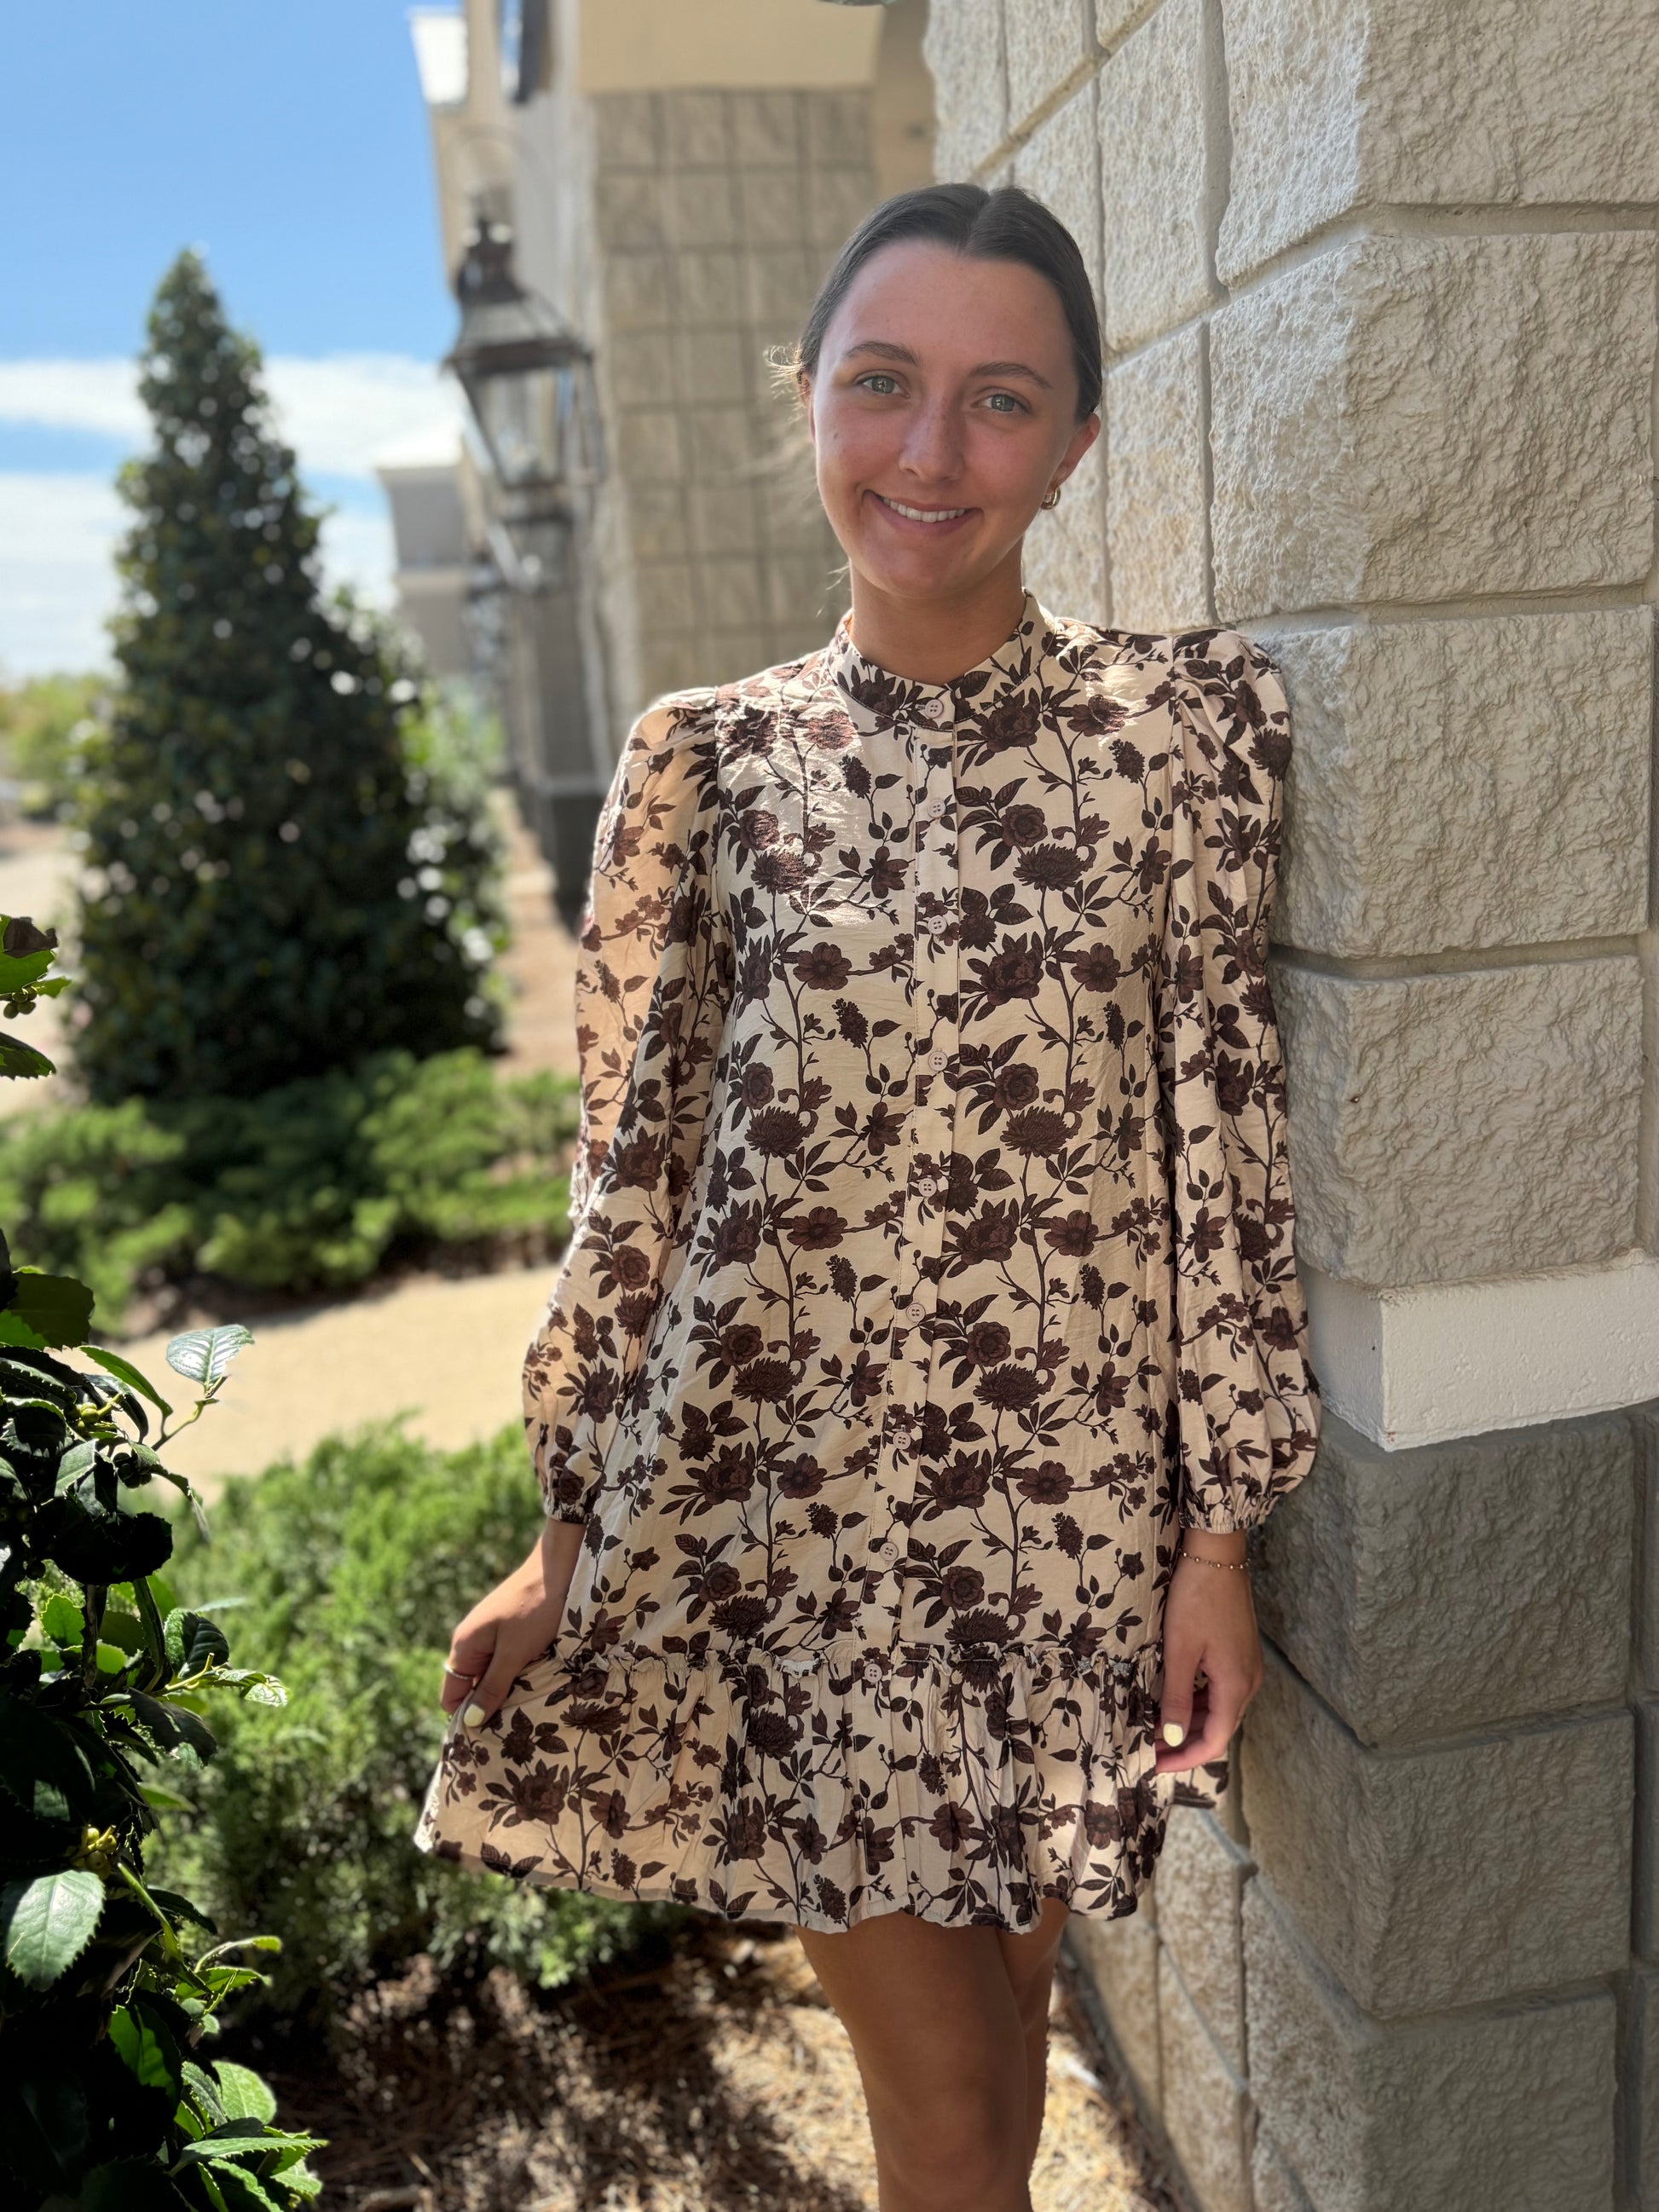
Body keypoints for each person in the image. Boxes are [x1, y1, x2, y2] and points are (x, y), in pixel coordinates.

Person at [418, 182, 1321, 2212]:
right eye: (882, 383)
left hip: (1067, 1533)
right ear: (805, 396)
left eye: (1001, 401)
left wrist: (1214, 1540)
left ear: (1076, 442)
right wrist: (566, 1522)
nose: (931, 451)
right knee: (954, 2123)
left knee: (1004, 2056)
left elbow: (1222, 1150)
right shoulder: (709, 769)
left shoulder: (1181, 745)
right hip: (803, 1538)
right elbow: (635, 1181)